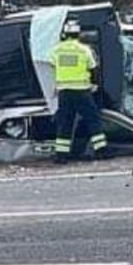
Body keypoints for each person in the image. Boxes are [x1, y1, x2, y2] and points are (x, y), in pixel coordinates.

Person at [48, 19, 109, 164]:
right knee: (93, 120)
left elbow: (51, 64)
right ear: (78, 34)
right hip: (82, 91)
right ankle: (101, 151)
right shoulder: (84, 49)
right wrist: (95, 84)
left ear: (64, 34)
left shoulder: (56, 50)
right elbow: (94, 68)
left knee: (65, 123)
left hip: (64, 92)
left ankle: (61, 155)